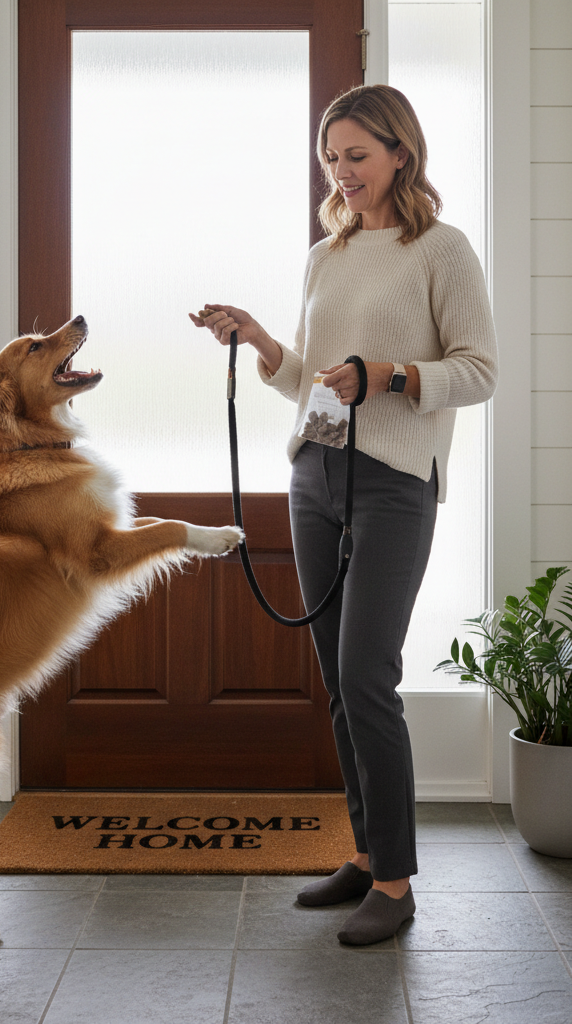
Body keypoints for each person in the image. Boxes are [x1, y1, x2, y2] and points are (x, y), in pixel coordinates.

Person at [190, 84, 498, 946]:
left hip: (396, 482)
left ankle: (396, 886)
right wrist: (261, 341)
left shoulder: (442, 250)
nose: (342, 171)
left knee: (368, 676)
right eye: (331, 158)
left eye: (357, 155)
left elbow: (479, 371)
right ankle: (366, 855)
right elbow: (315, 378)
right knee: (337, 678)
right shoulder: (326, 254)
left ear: (402, 152)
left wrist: (392, 375)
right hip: (314, 475)